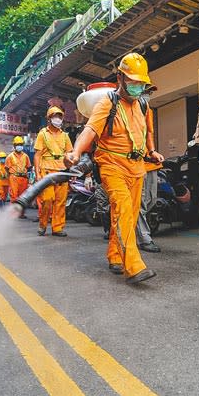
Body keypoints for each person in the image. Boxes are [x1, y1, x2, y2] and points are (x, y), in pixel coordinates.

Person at [65, 53, 164, 284]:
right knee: (123, 208)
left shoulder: (143, 105)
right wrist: (77, 152)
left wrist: (152, 150)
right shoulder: (107, 103)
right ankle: (134, 265)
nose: (137, 87)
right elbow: (90, 131)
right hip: (111, 164)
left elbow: (147, 132)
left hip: (137, 167)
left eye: (141, 83)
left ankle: (114, 256)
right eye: (132, 82)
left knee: (127, 215)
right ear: (119, 77)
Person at [34, 106, 73, 237]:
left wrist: (70, 172)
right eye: (55, 116)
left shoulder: (65, 136)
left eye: (60, 116)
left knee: (60, 202)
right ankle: (43, 224)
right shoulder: (42, 134)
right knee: (47, 199)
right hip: (47, 171)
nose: (58, 119)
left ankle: (57, 228)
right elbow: (37, 155)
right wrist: (38, 173)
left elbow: (70, 155)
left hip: (62, 171)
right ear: (49, 118)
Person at [136, 159, 162, 252]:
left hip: (151, 164)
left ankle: (136, 232)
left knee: (151, 200)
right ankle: (144, 239)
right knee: (141, 203)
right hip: (136, 164)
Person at [5, 135, 31, 218]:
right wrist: (11, 177)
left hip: (24, 178)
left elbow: (28, 167)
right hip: (14, 177)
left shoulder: (26, 156)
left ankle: (21, 213)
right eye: (17, 144)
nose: (19, 146)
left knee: (23, 197)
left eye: (20, 144)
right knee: (14, 196)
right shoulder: (10, 156)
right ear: (14, 146)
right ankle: (14, 213)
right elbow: (6, 168)